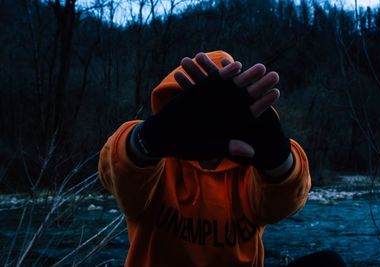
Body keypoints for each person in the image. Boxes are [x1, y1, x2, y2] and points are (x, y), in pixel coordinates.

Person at [98, 51, 344, 266]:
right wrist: (149, 140)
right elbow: (118, 168)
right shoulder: (156, 167)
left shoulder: (250, 171)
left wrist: (278, 161)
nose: (213, 123)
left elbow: (285, 203)